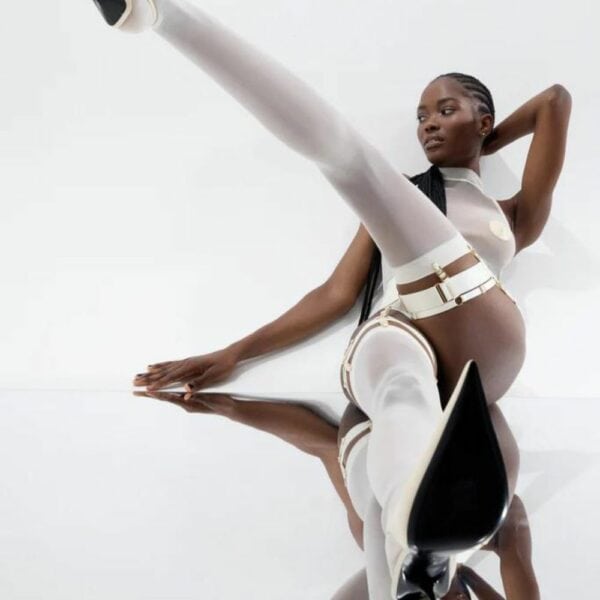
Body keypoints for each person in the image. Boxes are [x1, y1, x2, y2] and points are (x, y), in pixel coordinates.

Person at [90, 0, 571, 595]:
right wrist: (233, 355)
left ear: (483, 120)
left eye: (446, 110)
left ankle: (162, 14)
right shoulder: (400, 206)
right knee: (394, 390)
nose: (427, 124)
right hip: (401, 340)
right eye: (421, 114)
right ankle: (415, 549)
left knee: (349, 159)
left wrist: (486, 144)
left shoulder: (512, 215)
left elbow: (555, 101)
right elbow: (337, 296)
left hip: (483, 339)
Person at [136, 389, 540, 599]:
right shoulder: (458, 537)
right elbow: (515, 521)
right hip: (406, 433)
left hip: (374, 430)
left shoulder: (371, 528)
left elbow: (322, 445)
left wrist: (229, 408)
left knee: (378, 523)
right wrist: (465, 570)